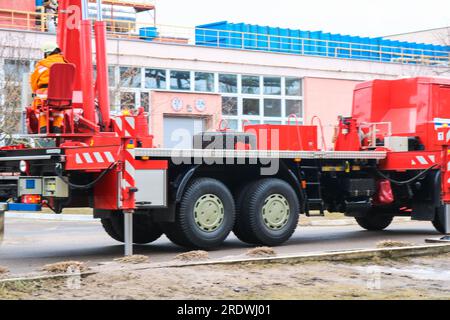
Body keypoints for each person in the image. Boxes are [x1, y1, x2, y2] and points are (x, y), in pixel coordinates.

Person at [30, 42, 68, 134]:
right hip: (62, 95)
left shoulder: (42, 64)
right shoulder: (66, 64)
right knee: (59, 109)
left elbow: (34, 81)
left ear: (47, 53)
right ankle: (56, 127)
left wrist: (35, 91)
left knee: (39, 107)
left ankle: (43, 127)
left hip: (45, 94)